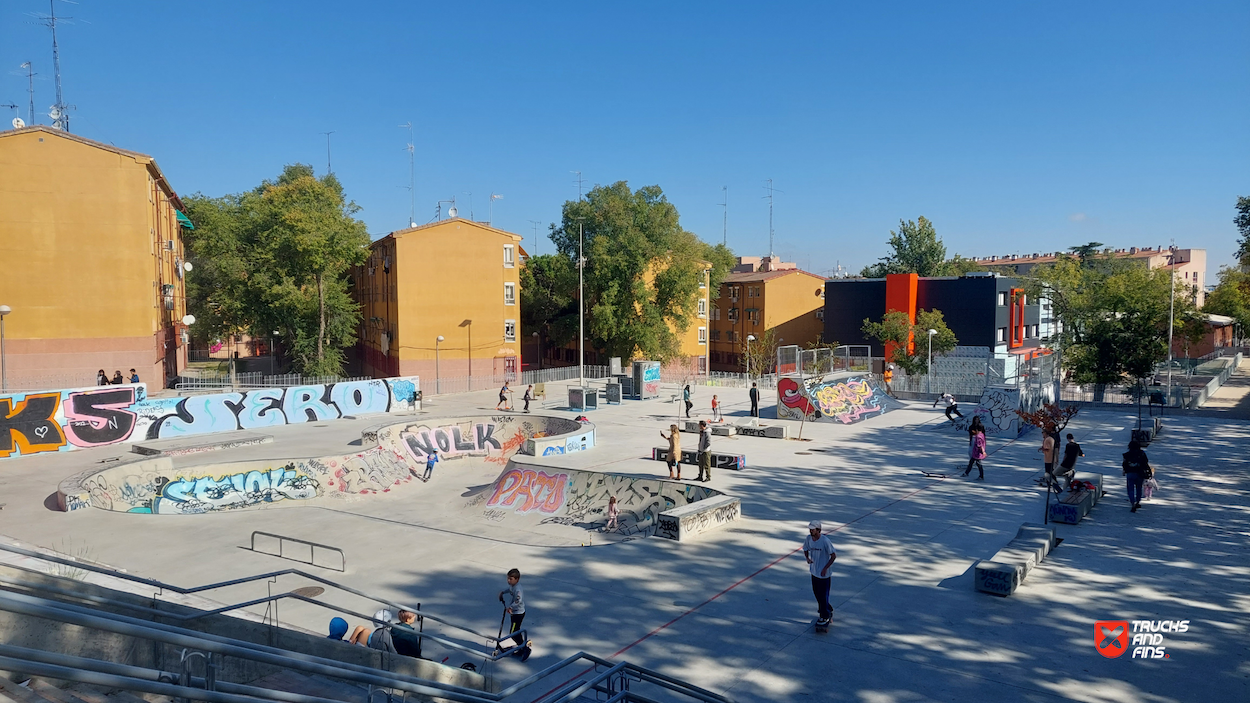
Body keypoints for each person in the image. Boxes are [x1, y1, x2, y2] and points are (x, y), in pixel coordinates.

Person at [802, 520, 837, 627]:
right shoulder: (808, 538)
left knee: (823, 595)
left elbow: (833, 556)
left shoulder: (825, 541)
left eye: (813, 529)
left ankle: (824, 615)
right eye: (810, 529)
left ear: (818, 530)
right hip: (814, 572)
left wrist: (825, 568)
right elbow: (805, 548)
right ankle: (828, 608)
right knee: (817, 594)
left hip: (824, 575)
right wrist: (807, 558)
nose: (811, 531)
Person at [498, 568, 531, 661]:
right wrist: (503, 592)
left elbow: (518, 600)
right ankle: (521, 647)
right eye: (508, 578)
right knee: (516, 631)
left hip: (518, 614)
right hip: (515, 613)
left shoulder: (518, 589)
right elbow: (509, 589)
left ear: (517, 579)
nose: (508, 581)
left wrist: (510, 607)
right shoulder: (513, 586)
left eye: (511, 579)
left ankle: (525, 648)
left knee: (513, 633)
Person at [1122, 440, 1151, 512]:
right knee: (1139, 488)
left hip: (1130, 473)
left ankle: (1132, 503)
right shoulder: (1142, 454)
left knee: (1130, 489)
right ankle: (1138, 501)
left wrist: (1124, 471)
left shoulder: (1126, 454)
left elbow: (1124, 464)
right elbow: (1145, 463)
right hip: (1139, 473)